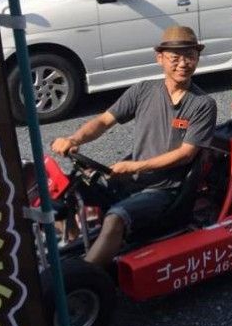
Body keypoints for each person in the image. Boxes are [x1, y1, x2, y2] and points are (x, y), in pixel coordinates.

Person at [51, 26, 217, 267]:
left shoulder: (202, 104)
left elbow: (185, 154)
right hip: (131, 181)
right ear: (159, 58)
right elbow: (103, 121)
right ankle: (71, 247)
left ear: (197, 58)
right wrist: (74, 140)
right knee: (65, 189)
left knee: (115, 218)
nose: (184, 63)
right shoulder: (143, 90)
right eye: (176, 57)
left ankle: (84, 278)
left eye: (190, 56)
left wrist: (135, 166)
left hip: (165, 191)